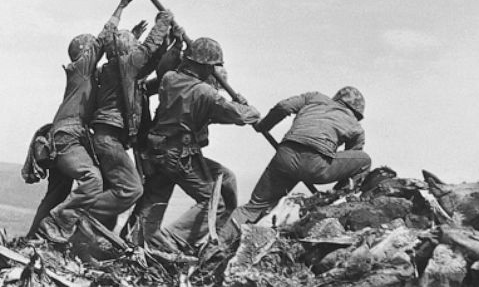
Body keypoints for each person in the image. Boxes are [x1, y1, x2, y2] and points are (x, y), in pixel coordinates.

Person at [26, 0, 136, 241]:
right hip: (68, 137)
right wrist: (121, 6)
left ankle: (33, 240)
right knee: (93, 180)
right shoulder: (82, 68)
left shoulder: (83, 76)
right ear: (85, 52)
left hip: (64, 137)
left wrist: (131, 39)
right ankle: (58, 223)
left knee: (56, 194)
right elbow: (104, 36)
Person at [131, 37, 261, 251]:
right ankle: (173, 240)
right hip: (178, 155)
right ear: (204, 66)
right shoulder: (205, 93)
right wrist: (249, 108)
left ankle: (135, 240)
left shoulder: (170, 79)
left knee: (222, 179)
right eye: (212, 67)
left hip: (156, 151)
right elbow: (241, 116)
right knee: (214, 202)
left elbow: (197, 108)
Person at [223, 86, 371, 243]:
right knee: (364, 160)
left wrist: (263, 126)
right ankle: (341, 202)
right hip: (316, 166)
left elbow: (283, 107)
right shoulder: (356, 127)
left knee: (253, 207)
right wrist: (337, 193)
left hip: (285, 157)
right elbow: (350, 164)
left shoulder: (315, 97)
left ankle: (217, 243)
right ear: (357, 112)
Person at [86, 8, 174, 229]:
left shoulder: (117, 70)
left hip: (107, 138)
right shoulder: (125, 64)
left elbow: (151, 61)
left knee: (113, 193)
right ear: (127, 50)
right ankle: (76, 212)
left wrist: (171, 42)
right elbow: (149, 48)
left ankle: (92, 234)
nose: (138, 49)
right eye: (134, 45)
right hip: (109, 139)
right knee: (131, 189)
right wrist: (163, 21)